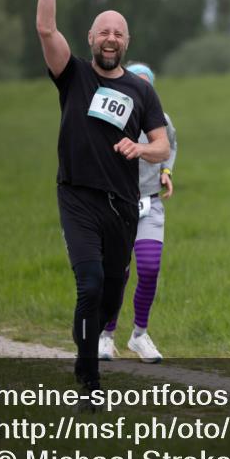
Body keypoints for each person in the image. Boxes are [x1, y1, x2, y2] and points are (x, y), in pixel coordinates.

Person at [30, 0, 170, 404]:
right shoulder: (74, 75)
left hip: (124, 204)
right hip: (77, 195)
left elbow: (162, 144)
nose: (110, 38)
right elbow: (47, 31)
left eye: (118, 33)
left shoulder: (141, 90)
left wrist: (141, 149)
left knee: (111, 292)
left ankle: (85, 336)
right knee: (88, 282)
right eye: (103, 31)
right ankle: (89, 379)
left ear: (126, 42)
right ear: (90, 38)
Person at [98, 62, 176, 363]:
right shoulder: (109, 119)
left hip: (150, 202)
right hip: (115, 204)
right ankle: (106, 335)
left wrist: (167, 170)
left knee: (149, 266)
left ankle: (140, 335)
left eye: (147, 87)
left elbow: (172, 145)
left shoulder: (162, 121)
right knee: (116, 272)